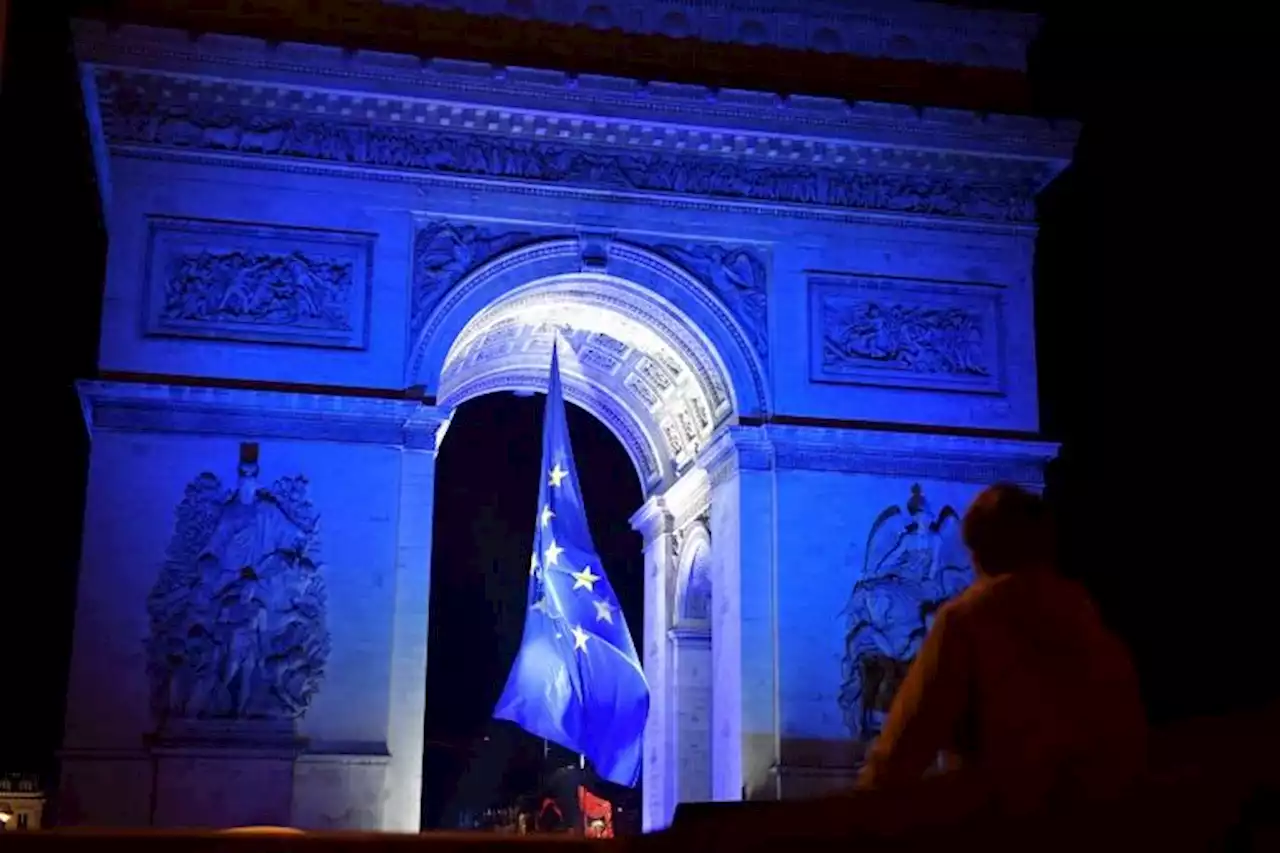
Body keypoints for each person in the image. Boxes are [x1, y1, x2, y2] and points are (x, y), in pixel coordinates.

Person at [857, 483, 1148, 816]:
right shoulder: (1094, 627)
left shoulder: (966, 621)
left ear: (980, 552)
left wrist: (858, 816)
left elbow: (904, 748)